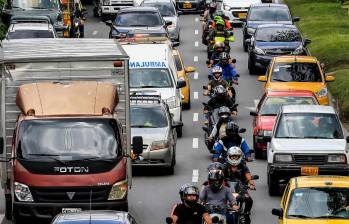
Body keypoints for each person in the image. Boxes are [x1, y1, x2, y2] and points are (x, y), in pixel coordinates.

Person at [223, 147, 255, 223]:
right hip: (227, 187)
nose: (234, 159)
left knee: (249, 200)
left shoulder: (243, 165)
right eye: (232, 156)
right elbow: (220, 173)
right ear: (229, 156)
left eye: (236, 156)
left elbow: (248, 174)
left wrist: (251, 183)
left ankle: (246, 214)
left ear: (239, 157)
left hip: (240, 186)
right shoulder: (225, 165)